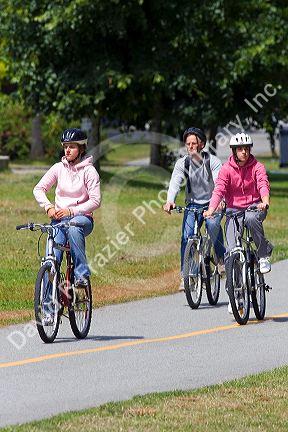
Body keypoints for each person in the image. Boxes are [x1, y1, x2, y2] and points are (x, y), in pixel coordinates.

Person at [33, 128, 101, 324]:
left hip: (82, 220)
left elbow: (95, 201)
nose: (67, 150)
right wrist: (48, 207)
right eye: (65, 147)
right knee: (50, 260)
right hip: (58, 221)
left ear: (81, 148)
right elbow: (39, 188)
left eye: (71, 147)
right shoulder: (58, 168)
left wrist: (72, 211)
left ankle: (80, 276)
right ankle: (48, 309)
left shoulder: (89, 171)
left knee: (72, 226)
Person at [204, 132, 273, 285]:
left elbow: (263, 184)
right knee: (231, 251)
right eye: (240, 149)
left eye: (247, 149)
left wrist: (265, 202)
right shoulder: (226, 169)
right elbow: (219, 190)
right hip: (233, 212)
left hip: (255, 207)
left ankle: (263, 256)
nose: (244, 152)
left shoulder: (257, 167)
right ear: (234, 151)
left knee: (251, 218)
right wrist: (211, 209)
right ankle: (235, 293)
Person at [163, 127, 226, 291]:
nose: (190, 147)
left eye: (194, 144)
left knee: (213, 226)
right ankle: (186, 275)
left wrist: (219, 202)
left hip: (213, 203)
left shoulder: (212, 161)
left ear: (202, 145)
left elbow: (220, 183)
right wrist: (170, 201)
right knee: (186, 237)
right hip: (192, 205)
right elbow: (175, 183)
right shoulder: (182, 163)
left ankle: (220, 258)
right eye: (187, 144)